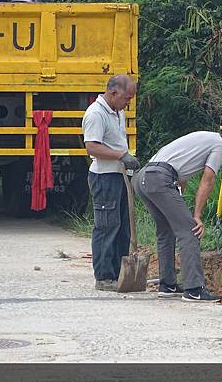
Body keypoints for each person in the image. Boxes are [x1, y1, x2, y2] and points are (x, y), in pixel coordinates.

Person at [133, 120, 222, 302]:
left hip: (144, 177)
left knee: (166, 231)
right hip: (159, 178)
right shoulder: (220, 145)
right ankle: (194, 289)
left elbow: (180, 175)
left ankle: (168, 285)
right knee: (190, 231)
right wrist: (196, 216)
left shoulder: (204, 138)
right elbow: (208, 180)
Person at [82, 74, 141, 291]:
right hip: (104, 177)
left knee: (123, 227)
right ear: (113, 92)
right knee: (107, 226)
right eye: (127, 97)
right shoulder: (96, 114)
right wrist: (120, 155)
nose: (129, 102)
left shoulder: (118, 111)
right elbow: (92, 147)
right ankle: (104, 276)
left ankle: (118, 273)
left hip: (120, 177)